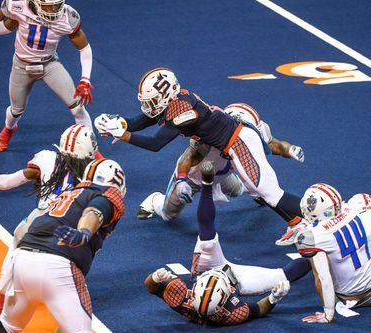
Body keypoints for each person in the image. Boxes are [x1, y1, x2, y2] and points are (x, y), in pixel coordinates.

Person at [95, 68, 304, 236]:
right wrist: (119, 124)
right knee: (263, 192)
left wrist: (123, 135)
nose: (149, 106)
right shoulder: (175, 101)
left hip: (238, 143)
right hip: (226, 147)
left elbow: (155, 143)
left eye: (152, 101)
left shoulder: (183, 111)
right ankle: (296, 223)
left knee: (269, 193)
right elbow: (141, 121)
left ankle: (313, 217)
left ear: (167, 97)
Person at [144, 161, 311, 325]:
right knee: (281, 277)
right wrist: (274, 298)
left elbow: (151, 288)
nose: (218, 274)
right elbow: (259, 309)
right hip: (237, 279)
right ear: (230, 294)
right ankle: (321, 248)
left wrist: (154, 278)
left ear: (194, 291)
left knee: (206, 240)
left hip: (204, 269)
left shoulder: (181, 297)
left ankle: (207, 184)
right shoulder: (232, 313)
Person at [0, 158, 126, 333]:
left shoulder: (69, 193)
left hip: (23, 258)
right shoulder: (107, 196)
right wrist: (84, 232)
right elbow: (94, 212)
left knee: (7, 325)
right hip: (57, 265)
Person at [0, 124, 98, 318]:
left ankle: (1, 303)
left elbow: (7, 183)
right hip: (74, 224)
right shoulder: (96, 171)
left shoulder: (47, 159)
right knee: (82, 252)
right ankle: (72, 298)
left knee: (15, 249)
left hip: (41, 219)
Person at [137, 102, 304, 222]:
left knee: (237, 190)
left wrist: (290, 150)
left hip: (223, 173)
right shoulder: (211, 133)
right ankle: (155, 199)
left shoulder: (253, 131)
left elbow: (274, 144)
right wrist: (181, 180)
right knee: (169, 214)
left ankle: (256, 190)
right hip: (194, 177)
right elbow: (188, 158)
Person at [0, 0, 94, 152]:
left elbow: (84, 47)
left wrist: (85, 79)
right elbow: (5, 25)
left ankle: (92, 149)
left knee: (77, 107)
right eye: (49, 6)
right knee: (16, 110)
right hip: (22, 66)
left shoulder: (68, 16)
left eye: (57, 5)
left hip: (49, 64)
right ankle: (9, 128)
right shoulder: (18, 5)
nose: (53, 10)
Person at [294, 183, 371, 324]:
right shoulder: (354, 210)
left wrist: (328, 313)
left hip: (351, 296)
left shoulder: (313, 235)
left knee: (317, 260)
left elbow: (322, 278)